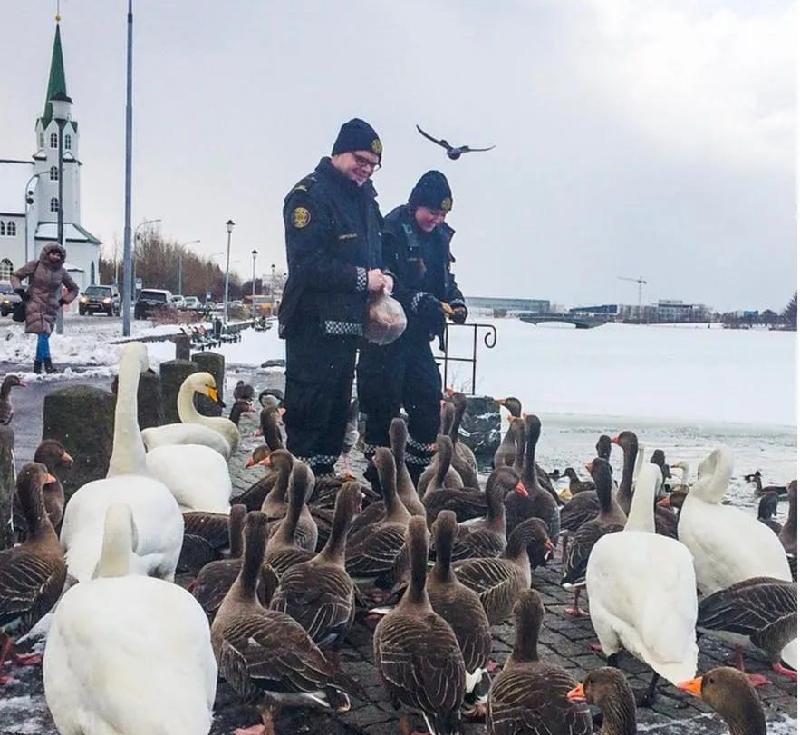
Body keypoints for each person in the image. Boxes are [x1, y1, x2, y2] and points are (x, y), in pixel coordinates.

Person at [278, 118, 391, 478]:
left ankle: (321, 501)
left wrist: (385, 278)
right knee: (309, 415)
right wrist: (362, 279)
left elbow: (376, 257)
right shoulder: (309, 196)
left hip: (346, 329)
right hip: (313, 326)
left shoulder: (366, 204)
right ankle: (295, 502)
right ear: (339, 152)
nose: (366, 169)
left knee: (335, 419)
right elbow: (306, 265)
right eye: (361, 159)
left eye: (373, 165)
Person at [358, 170, 466, 485]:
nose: (438, 218)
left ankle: (412, 478)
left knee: (427, 406)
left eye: (443, 213)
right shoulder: (390, 229)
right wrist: (416, 299)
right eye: (433, 211)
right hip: (386, 335)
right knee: (383, 409)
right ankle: (381, 483)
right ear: (417, 203)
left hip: (418, 338)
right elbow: (384, 278)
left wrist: (455, 301)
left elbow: (444, 281)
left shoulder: (440, 237)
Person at [11, 242, 79, 374]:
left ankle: (37, 366)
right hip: (34, 303)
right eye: (53, 253)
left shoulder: (62, 272)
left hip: (51, 307)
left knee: (44, 336)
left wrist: (65, 300)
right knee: (42, 333)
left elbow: (74, 288)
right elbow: (16, 276)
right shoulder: (35, 265)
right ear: (47, 254)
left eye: (59, 255)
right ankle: (48, 364)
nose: (56, 257)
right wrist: (19, 291)